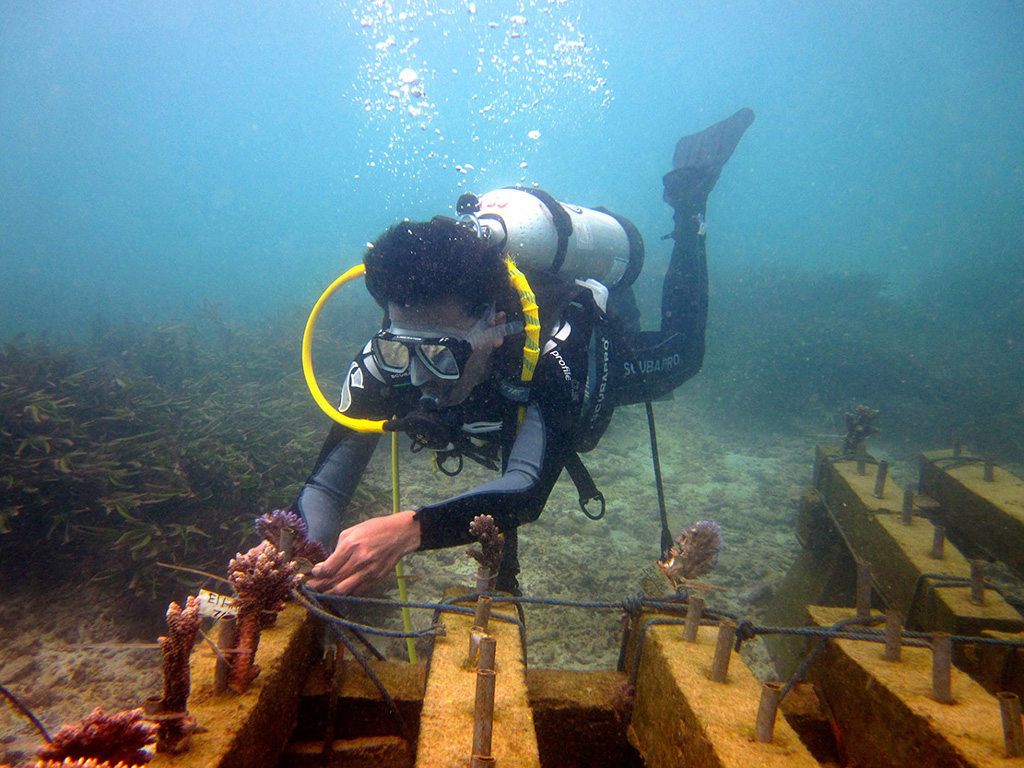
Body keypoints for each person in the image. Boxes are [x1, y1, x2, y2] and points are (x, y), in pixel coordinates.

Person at [299, 108, 755, 596]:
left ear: (495, 326)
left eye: (440, 353)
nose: (417, 379)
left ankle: (689, 205)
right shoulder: (387, 360)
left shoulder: (549, 363)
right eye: (401, 351)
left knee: (682, 356)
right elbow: (326, 487)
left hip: (590, 358)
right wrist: (296, 548)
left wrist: (411, 529)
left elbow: (525, 488)